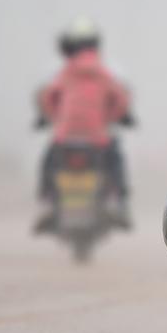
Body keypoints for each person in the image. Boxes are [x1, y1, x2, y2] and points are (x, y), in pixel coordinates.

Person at [35, 17, 133, 231]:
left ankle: (46, 201)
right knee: (115, 160)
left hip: (65, 136)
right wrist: (112, 117)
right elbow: (121, 100)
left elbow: (47, 97)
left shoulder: (64, 72)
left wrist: (55, 118)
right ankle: (117, 200)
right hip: (98, 137)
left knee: (49, 161)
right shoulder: (105, 72)